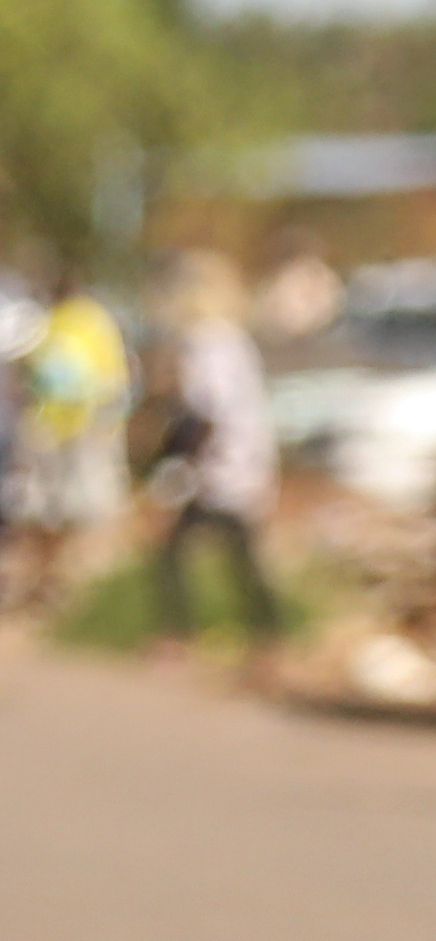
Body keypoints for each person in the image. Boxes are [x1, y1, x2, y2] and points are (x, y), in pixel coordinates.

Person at [148, 256, 285, 668]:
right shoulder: (232, 338)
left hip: (222, 465)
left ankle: (184, 637)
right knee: (239, 554)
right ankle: (266, 637)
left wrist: (177, 465)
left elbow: (205, 411)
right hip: (242, 462)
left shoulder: (205, 341)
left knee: (177, 553)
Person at [5, 268, 131, 612]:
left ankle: (56, 581)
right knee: (44, 510)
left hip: (74, 430)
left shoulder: (87, 321)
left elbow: (110, 379)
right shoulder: (59, 320)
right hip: (55, 429)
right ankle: (47, 579)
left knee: (67, 511)